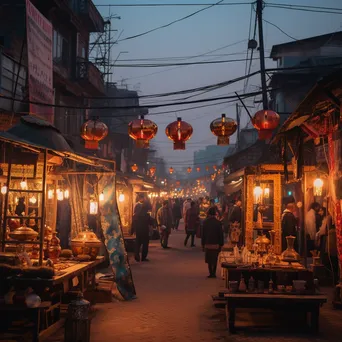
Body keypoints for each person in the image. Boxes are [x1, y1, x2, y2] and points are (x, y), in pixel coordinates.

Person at [202, 207, 224, 278]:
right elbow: (220, 234)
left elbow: (203, 234)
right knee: (214, 258)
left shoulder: (205, 222)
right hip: (216, 244)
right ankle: (213, 273)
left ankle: (210, 273)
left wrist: (203, 243)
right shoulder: (218, 223)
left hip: (208, 243)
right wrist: (221, 243)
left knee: (209, 259)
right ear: (215, 214)